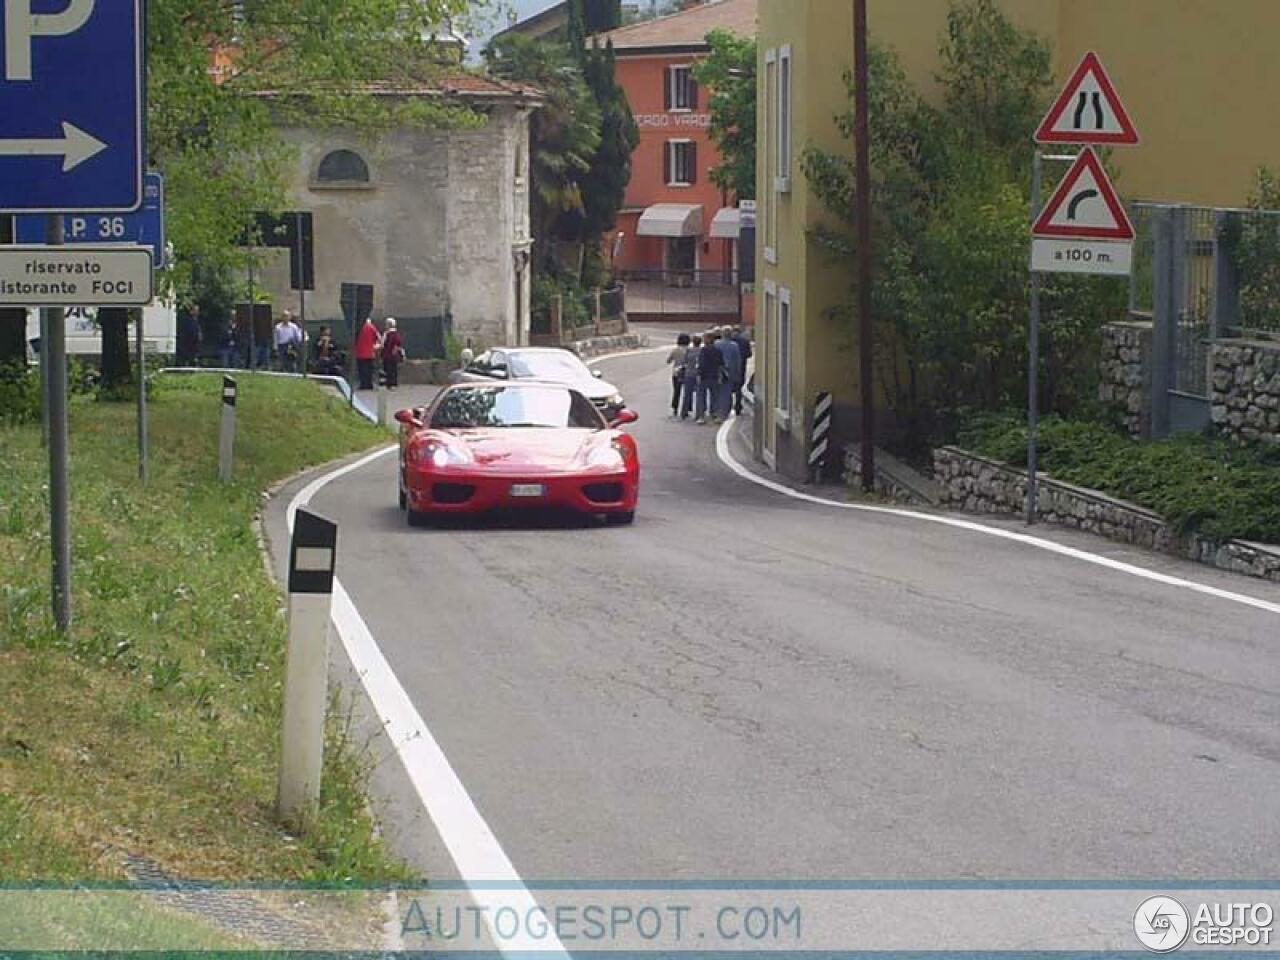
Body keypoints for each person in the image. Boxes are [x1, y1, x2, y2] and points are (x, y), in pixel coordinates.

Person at [694, 332, 725, 424]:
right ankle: (715, 414)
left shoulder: (703, 350)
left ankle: (701, 416)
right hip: (715, 375)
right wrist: (720, 376)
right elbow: (721, 364)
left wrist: (699, 374)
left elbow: (701, 364)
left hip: (704, 376)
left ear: (707, 340)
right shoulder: (718, 351)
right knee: (715, 396)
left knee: (701, 396)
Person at [715, 326, 742, 420]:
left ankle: (717, 411)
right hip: (730, 371)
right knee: (727, 392)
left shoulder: (716, 344)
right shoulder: (734, 345)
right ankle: (725, 411)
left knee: (717, 392)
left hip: (718, 371)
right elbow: (738, 360)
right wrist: (738, 373)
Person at [666, 333, 691, 417]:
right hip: (687, 372)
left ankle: (675, 408)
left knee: (676, 391)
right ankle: (687, 408)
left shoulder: (675, 350)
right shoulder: (689, 350)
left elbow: (668, 361)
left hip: (676, 373)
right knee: (687, 391)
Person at [730, 326, 753, 415]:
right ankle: (738, 406)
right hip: (741, 367)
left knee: (728, 387)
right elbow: (749, 354)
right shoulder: (744, 341)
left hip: (730, 367)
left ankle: (728, 405)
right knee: (738, 387)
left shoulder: (730, 341)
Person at [354, 315, 380, 390]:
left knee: (362, 370)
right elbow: (378, 338)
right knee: (369, 370)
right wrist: (375, 345)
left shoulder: (358, 328)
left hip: (360, 353)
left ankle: (363, 384)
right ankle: (369, 384)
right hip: (370, 353)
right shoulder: (372, 327)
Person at [680, 334, 702, 420]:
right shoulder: (702, 351)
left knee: (687, 394)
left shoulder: (689, 351)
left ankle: (684, 412)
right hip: (698, 374)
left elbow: (684, 361)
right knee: (699, 394)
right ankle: (698, 414)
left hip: (689, 373)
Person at [381, 317, 405, 390]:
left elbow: (383, 344)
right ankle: (393, 383)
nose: (385, 325)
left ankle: (390, 384)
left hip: (388, 354)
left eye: (386, 324)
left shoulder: (388, 334)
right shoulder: (396, 334)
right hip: (393, 355)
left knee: (389, 369)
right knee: (393, 370)